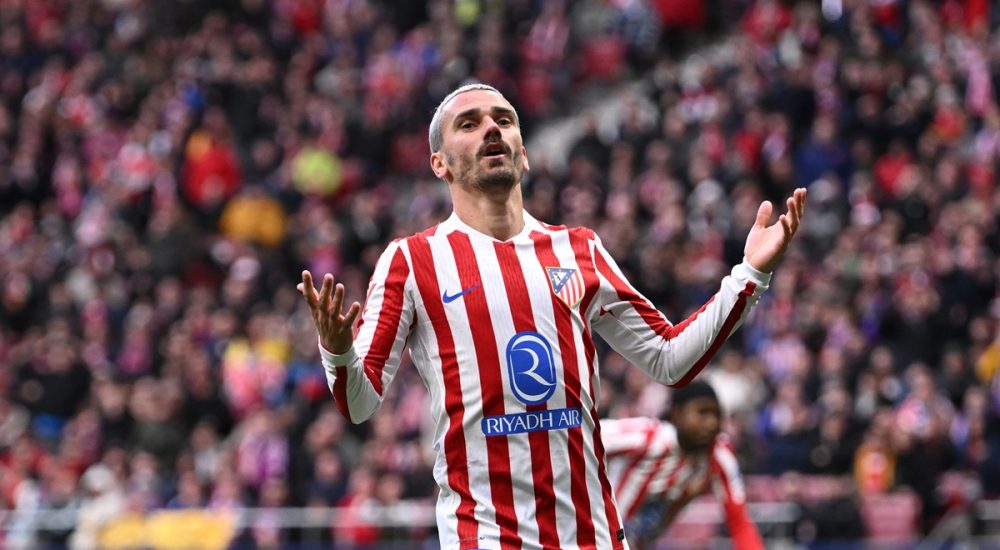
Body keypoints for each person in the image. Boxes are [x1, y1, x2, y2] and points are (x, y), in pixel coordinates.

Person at [298, 83, 806, 549]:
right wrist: (338, 349)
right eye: (469, 124)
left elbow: (669, 359)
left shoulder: (579, 249)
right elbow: (359, 405)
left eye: (504, 119)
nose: (492, 128)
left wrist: (749, 276)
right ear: (440, 164)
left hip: (594, 537)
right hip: (486, 537)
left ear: (523, 151)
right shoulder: (411, 261)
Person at [602, 381, 764, 550]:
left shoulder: (718, 457)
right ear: (677, 412)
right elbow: (580, 440)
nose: (711, 423)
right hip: (594, 540)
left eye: (717, 415)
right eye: (703, 413)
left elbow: (739, 522)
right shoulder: (648, 436)